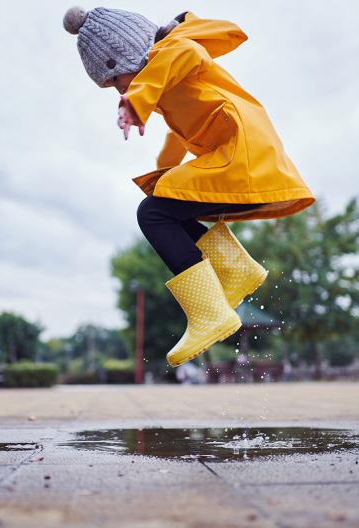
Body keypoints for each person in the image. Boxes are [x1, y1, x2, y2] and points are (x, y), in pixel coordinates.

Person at [63, 7, 314, 367]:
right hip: (244, 158)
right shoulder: (169, 81)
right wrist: (164, 174)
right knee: (162, 204)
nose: (119, 89)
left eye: (116, 81)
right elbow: (179, 135)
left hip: (243, 157)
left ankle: (210, 313)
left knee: (152, 214)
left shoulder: (177, 49)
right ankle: (233, 270)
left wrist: (137, 100)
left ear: (128, 56)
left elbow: (186, 55)